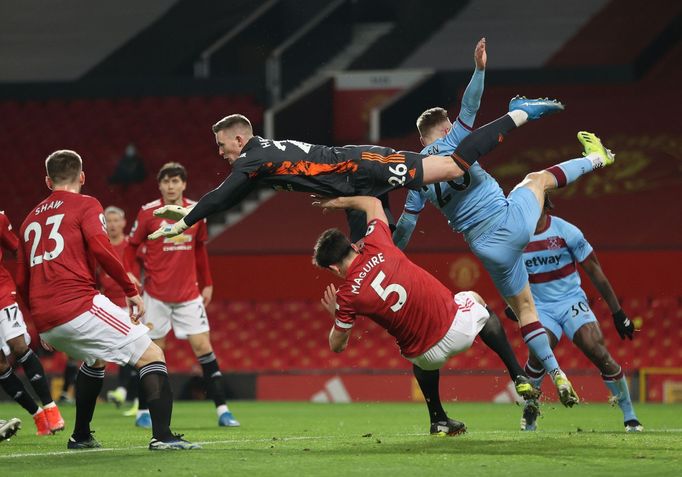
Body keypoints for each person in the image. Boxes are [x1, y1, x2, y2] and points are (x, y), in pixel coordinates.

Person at [392, 45, 617, 406]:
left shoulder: (418, 173)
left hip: (485, 248)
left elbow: (405, 226)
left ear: (421, 141)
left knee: (526, 310)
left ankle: (556, 374)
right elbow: (471, 105)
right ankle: (596, 158)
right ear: (447, 128)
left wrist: (389, 253)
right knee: (538, 179)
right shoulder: (456, 139)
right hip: (508, 221)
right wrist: (479, 70)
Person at [146, 88, 564, 241]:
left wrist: (185, 221)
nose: (221, 153)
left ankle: (519, 113)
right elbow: (225, 197)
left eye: (223, 146)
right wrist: (187, 210)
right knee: (367, 247)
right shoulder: (259, 159)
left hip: (362, 168)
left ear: (240, 137)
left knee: (453, 166)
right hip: (353, 184)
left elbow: (223, 196)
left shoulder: (253, 156)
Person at [311, 195, 540, 435]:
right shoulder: (378, 241)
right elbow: (373, 203)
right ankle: (518, 374)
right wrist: (339, 202)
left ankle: (438, 419)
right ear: (351, 245)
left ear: (334, 268)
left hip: (426, 356)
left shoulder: (347, 296)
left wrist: (336, 313)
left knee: (419, 356)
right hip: (458, 330)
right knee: (474, 299)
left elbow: (336, 346)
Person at [16, 149, 198, 450]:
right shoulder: (86, 204)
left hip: (47, 320)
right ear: (82, 177)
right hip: (78, 305)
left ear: (48, 181)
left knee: (95, 360)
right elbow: (102, 250)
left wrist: (39, 322)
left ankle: (81, 435)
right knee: (151, 354)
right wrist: (131, 289)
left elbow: (22, 281)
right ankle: (163, 436)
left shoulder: (28, 220)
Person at [504, 196, 643, 432]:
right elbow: (507, 274)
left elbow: (595, 271)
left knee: (596, 350)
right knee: (538, 353)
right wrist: (514, 303)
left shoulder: (567, 232)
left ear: (547, 207)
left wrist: (617, 312)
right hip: (540, 306)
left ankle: (630, 415)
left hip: (570, 301)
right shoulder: (517, 238)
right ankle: (530, 410)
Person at [125, 162, 239, 428]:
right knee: (154, 352)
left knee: (203, 348)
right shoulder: (147, 213)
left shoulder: (196, 211)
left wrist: (207, 283)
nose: (171, 186)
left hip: (189, 295)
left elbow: (200, 249)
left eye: (176, 181)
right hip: (156, 295)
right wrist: (130, 274)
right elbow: (131, 248)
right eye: (166, 182)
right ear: (160, 185)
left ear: (184, 184)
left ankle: (223, 410)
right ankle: (143, 411)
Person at [0, 210, 65, 435]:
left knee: (17, 344)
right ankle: (38, 416)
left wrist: (33, 278)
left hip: (2, 293)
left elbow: (18, 249)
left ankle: (51, 408)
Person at [99, 206, 141, 414]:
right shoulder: (101, 247)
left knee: (133, 350)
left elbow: (149, 270)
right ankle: (127, 394)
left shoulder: (132, 247)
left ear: (124, 223)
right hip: (107, 307)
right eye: (109, 221)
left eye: (117, 220)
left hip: (131, 306)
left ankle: (128, 394)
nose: (113, 225)